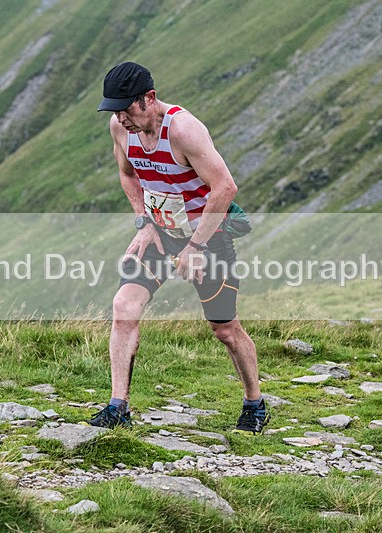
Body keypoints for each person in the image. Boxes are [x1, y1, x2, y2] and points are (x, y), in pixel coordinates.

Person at [88, 62, 269, 435]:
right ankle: (117, 406)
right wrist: (144, 222)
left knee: (225, 328)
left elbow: (225, 187)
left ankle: (255, 403)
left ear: (150, 98)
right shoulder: (121, 128)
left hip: (207, 234)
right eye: (115, 111)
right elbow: (127, 173)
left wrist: (196, 245)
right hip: (160, 233)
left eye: (128, 109)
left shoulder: (183, 130)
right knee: (124, 307)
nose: (122, 118)